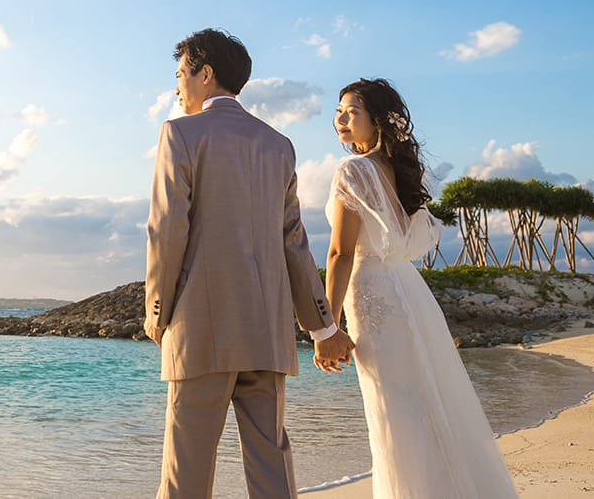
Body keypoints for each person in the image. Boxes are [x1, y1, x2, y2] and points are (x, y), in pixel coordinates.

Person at [146, 28, 354, 499]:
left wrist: (157, 311)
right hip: (267, 331)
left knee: (187, 470)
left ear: (205, 73)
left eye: (181, 74)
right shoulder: (278, 144)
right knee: (271, 464)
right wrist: (321, 327)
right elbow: (294, 244)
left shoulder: (179, 133)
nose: (177, 87)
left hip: (201, 329)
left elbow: (167, 229)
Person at [320, 78, 518, 498]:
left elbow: (340, 252)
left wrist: (327, 326)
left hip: (372, 293)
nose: (341, 118)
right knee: (427, 399)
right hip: (410, 291)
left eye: (352, 111)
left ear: (377, 121)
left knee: (395, 410)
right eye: (338, 110)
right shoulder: (398, 172)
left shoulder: (353, 170)